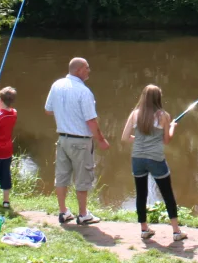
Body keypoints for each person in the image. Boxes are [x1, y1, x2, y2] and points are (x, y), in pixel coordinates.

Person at [45, 57, 110, 225]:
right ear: (79, 70)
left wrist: (64, 111)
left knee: (61, 176)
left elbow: (48, 110)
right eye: (87, 68)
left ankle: (63, 212)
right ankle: (83, 215)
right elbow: (91, 120)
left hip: (62, 140)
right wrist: (101, 140)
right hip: (80, 142)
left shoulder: (56, 85)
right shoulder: (84, 91)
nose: (89, 71)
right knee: (83, 178)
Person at [121, 84, 188, 241]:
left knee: (141, 194)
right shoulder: (163, 116)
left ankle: (144, 230)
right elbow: (166, 140)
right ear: (159, 98)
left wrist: (140, 140)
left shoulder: (135, 114)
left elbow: (124, 138)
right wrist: (172, 127)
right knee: (167, 194)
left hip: (137, 159)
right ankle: (176, 231)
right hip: (156, 159)